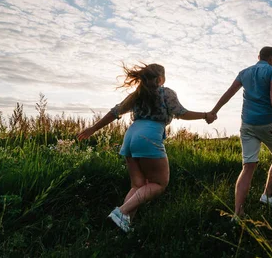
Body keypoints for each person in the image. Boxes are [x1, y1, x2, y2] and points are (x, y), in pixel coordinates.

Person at [77, 63, 216, 232]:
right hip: (148, 136)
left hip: (130, 136)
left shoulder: (137, 95)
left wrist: (93, 129)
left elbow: (115, 112)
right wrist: (204, 115)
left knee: (138, 185)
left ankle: (123, 224)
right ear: (160, 78)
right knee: (159, 183)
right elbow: (181, 112)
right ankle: (121, 212)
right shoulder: (166, 92)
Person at [208, 46, 272, 220]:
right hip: (267, 123)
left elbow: (229, 92)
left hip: (247, 125)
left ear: (258, 56)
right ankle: (267, 195)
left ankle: (238, 212)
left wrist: (214, 111)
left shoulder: (244, 72)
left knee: (248, 167)